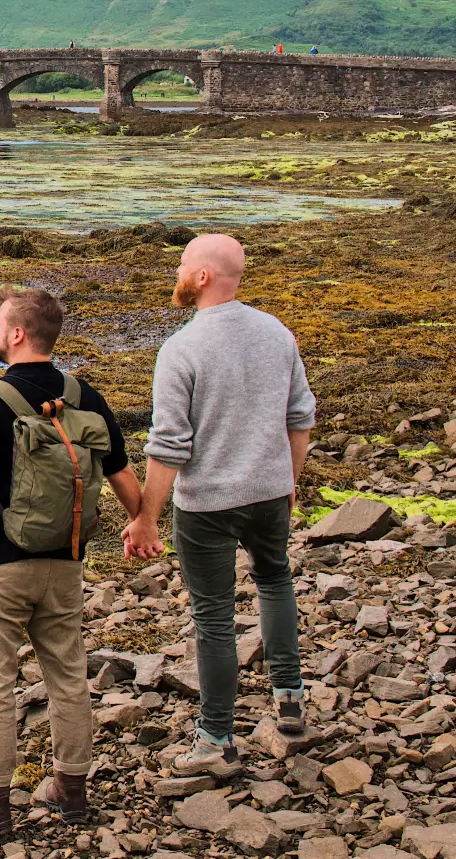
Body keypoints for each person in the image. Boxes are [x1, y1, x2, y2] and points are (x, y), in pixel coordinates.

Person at [0, 286, 143, 837]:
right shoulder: (85, 396)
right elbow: (121, 473)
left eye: (0, 322)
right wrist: (144, 522)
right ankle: (71, 791)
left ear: (19, 333)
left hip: (1, 568)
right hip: (67, 561)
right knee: (68, 675)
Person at [123, 234, 314, 778]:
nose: (177, 271)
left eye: (183, 264)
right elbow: (300, 416)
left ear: (203, 276)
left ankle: (216, 739)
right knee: (275, 580)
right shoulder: (276, 332)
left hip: (207, 504)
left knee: (213, 617)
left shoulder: (183, 349)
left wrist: (146, 518)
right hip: (270, 491)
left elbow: (168, 446)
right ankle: (290, 699)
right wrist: (290, 481)